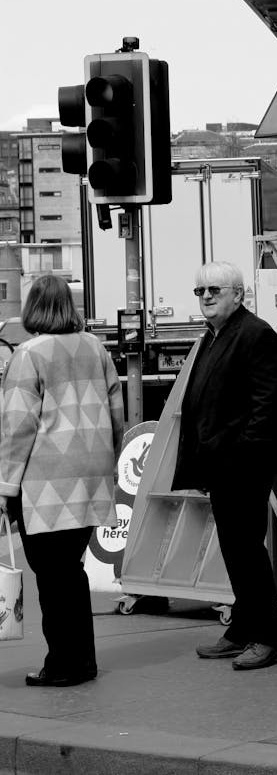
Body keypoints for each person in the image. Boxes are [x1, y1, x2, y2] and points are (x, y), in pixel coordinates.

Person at [0, 275, 124, 686]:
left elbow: (17, 428)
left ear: (32, 307)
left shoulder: (28, 354)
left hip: (46, 484)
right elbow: (116, 414)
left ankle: (63, 665)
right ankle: (82, 661)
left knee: (51, 579)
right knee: (71, 572)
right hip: (89, 480)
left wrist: (5, 487)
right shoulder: (95, 347)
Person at [172, 261, 277, 670]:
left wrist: (241, 453)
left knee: (247, 551)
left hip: (244, 466)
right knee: (235, 551)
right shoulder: (214, 335)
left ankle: (266, 638)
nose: (206, 296)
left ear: (237, 295)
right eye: (200, 290)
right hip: (221, 466)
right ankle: (241, 629)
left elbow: (269, 405)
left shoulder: (255, 334)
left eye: (215, 290)